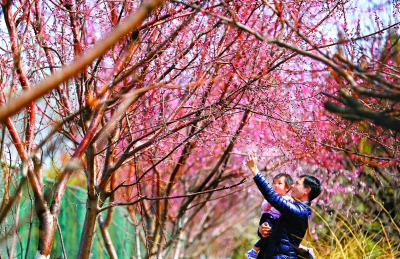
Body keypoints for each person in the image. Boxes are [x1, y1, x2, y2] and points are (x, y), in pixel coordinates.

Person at [246, 154, 322, 259]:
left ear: (307, 190)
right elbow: (277, 232)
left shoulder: (299, 211)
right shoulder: (296, 209)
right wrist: (261, 229)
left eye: (297, 184)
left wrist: (255, 171)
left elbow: (273, 197)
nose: (293, 186)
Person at [245, 173, 294, 259]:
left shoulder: (289, 200)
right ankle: (254, 250)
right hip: (267, 217)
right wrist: (270, 202)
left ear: (287, 187)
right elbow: (264, 207)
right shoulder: (271, 197)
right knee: (268, 234)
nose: (276, 185)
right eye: (274, 183)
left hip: (276, 222)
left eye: (279, 183)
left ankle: (254, 250)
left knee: (272, 235)